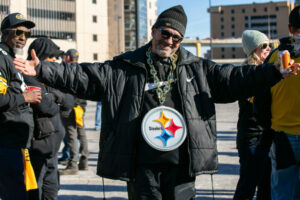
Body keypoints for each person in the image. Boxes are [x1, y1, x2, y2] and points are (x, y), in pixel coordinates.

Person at [14, 5, 299, 200]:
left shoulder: (197, 68)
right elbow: (84, 75)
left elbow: (236, 77)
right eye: (166, 33)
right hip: (142, 166)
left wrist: (272, 72)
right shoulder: (124, 67)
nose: (170, 40)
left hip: (182, 164)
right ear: (153, 31)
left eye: (177, 37)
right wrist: (43, 70)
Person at [254, 6, 300, 200]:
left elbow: (261, 100)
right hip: (283, 135)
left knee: (282, 192)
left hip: (282, 136)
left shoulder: (274, 57)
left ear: (290, 28)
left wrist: (269, 128)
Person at [25, 37, 73, 200]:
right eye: (51, 56)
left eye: (56, 57)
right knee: (35, 190)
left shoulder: (51, 76)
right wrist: (56, 98)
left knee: (52, 189)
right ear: (38, 56)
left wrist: (53, 96)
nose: (55, 60)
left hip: (52, 148)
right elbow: (45, 106)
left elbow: (69, 101)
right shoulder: (28, 75)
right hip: (37, 146)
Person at [0, 13, 42, 199]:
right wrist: (24, 97)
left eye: (27, 34)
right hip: (6, 143)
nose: (23, 37)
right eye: (18, 32)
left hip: (17, 142)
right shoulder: (1, 58)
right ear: (4, 33)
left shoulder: (10, 57)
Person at [233, 30, 272, 200]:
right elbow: (254, 100)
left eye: (270, 45)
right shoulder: (247, 72)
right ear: (253, 49)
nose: (268, 48)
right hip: (252, 136)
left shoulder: (268, 69)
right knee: (247, 186)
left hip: (267, 135)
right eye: (264, 46)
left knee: (266, 187)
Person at [59, 49, 89, 175]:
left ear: (68, 58)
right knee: (81, 134)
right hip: (80, 107)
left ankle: (72, 165)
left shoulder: (66, 70)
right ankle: (84, 162)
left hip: (70, 107)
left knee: (71, 136)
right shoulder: (82, 70)